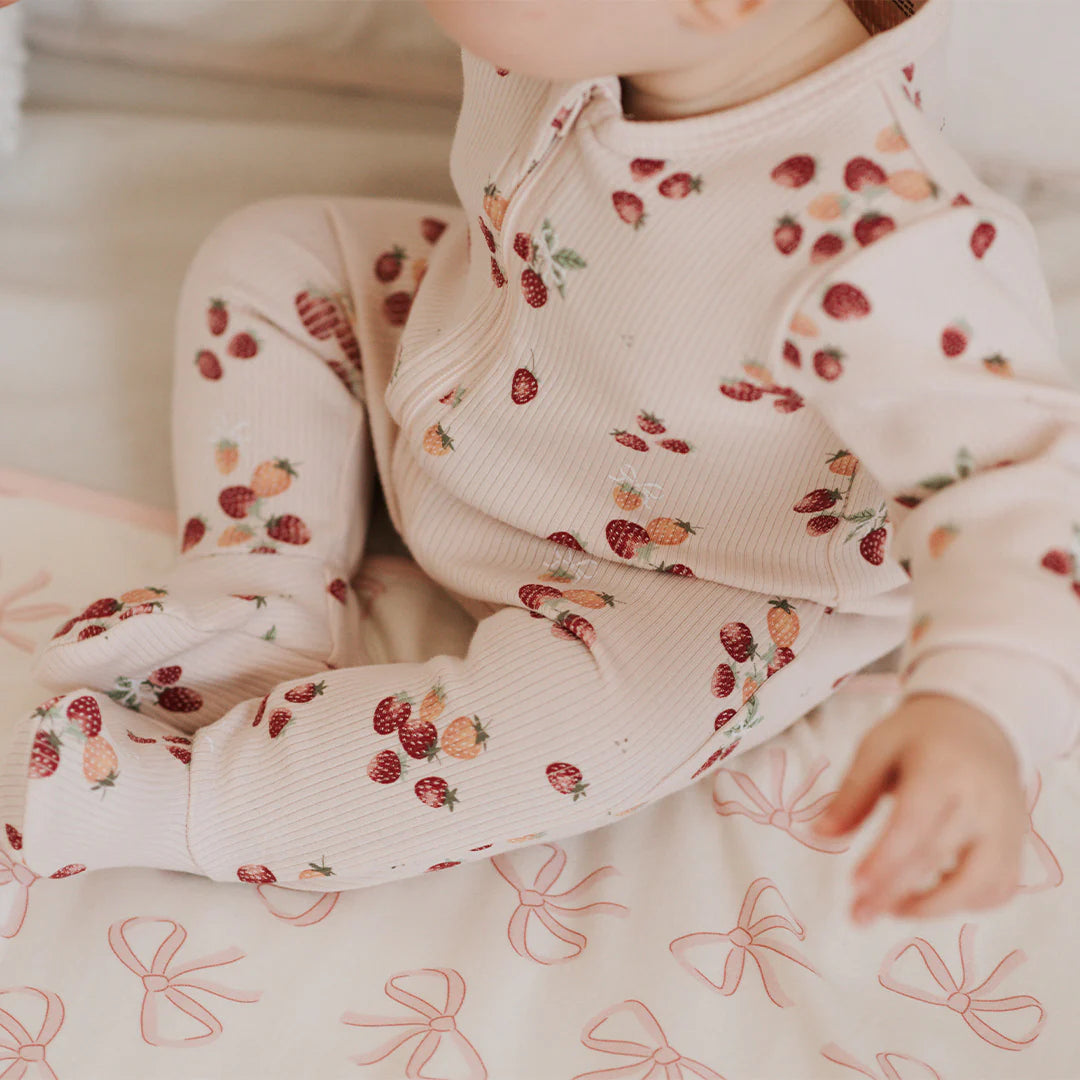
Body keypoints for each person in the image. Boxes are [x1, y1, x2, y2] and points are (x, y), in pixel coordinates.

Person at [2, 0, 1077, 928]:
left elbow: (1020, 494)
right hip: (481, 361)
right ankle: (262, 589)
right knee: (272, 254)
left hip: (692, 583)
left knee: (572, 743)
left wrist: (979, 709)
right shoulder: (595, 34)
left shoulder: (892, 247)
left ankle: (168, 799)